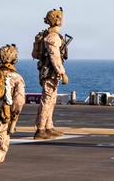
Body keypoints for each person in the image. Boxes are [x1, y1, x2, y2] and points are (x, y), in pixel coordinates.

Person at [32, 8, 69, 140]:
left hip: (50, 71)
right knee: (47, 100)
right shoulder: (53, 37)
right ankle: (40, 129)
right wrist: (62, 72)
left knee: (51, 100)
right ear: (56, 20)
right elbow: (55, 56)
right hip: (50, 72)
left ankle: (48, 126)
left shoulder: (51, 35)